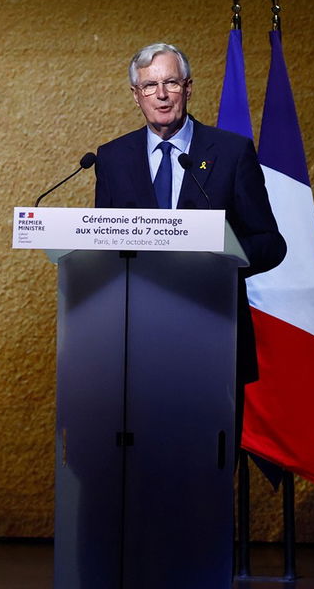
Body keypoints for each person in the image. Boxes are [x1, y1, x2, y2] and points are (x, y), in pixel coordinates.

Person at [94, 42, 286, 381]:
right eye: (149, 86)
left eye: (171, 83)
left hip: (216, 330)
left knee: (212, 435)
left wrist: (223, 256)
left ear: (188, 88)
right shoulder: (112, 158)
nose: (161, 95)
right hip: (138, 343)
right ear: (135, 95)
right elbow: (104, 246)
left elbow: (270, 243)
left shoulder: (231, 152)